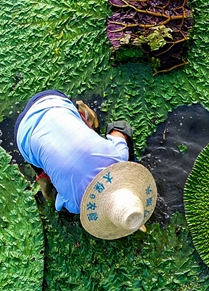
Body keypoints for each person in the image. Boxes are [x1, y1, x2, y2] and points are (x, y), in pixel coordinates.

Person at [14, 90, 158, 240]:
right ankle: (43, 177)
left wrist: (129, 163)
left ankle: (84, 115)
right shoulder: (76, 205)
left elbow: (121, 127)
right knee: (52, 188)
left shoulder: (119, 157)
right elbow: (59, 205)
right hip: (23, 137)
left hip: (53, 102)